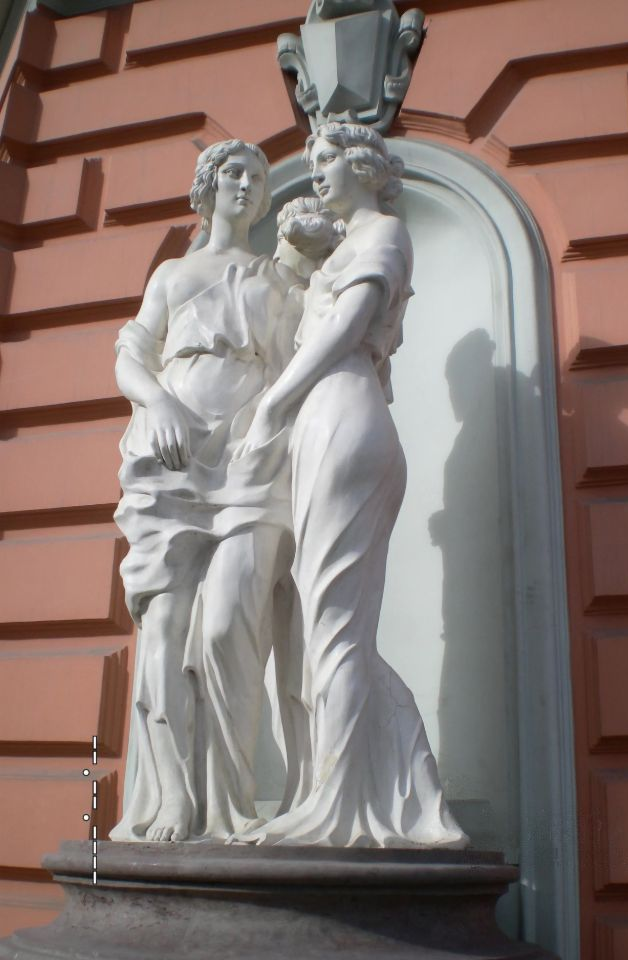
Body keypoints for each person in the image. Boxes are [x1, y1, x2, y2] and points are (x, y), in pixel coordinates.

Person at [238, 122, 468, 847]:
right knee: (324, 624)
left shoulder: (386, 233)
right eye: (313, 159)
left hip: (343, 415)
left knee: (333, 625)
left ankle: (336, 804)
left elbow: (346, 326)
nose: (318, 170)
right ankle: (395, 794)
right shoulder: (341, 247)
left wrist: (274, 403)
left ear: (365, 164)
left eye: (330, 157)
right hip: (321, 421)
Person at [110, 140, 313, 843]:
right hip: (171, 455)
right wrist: (157, 402)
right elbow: (130, 355)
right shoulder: (172, 274)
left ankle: (229, 800)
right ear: (207, 185)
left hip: (251, 455)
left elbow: (301, 361)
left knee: (229, 625)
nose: (246, 184)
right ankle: (173, 796)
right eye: (233, 172)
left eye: (257, 176)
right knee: (164, 629)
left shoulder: (275, 276)